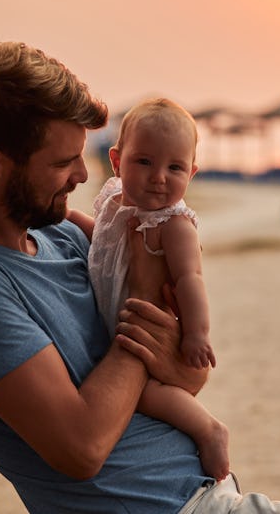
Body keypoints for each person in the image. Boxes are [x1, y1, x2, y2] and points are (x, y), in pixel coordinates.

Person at [0, 41, 280, 514]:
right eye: (62, 162)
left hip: (210, 495)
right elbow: (82, 448)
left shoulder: (65, 236)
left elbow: (190, 376)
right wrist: (142, 294)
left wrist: (170, 351)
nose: (80, 176)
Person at [67, 97, 228, 481]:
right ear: (117, 161)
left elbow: (191, 279)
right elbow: (104, 241)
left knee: (146, 394)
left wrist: (196, 334)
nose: (159, 177)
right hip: (119, 321)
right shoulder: (113, 201)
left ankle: (208, 430)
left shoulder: (173, 226)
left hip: (152, 329)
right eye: (144, 162)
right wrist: (71, 218)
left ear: (191, 173)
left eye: (174, 168)